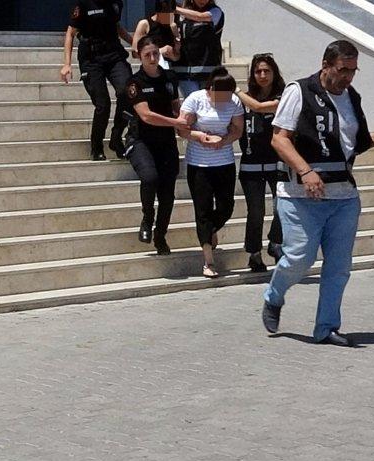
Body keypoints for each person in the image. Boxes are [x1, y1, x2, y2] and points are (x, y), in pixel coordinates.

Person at [261, 40, 374, 346]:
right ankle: (274, 295)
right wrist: (305, 170)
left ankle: (326, 327)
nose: (347, 77)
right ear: (326, 65)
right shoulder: (299, 91)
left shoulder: (352, 97)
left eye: (353, 71)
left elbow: (354, 143)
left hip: (343, 197)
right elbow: (279, 139)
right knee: (299, 258)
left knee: (339, 267)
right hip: (300, 195)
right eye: (342, 70)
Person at [124, 34, 188, 255]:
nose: (152, 58)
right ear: (139, 57)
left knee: (168, 194)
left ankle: (160, 235)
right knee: (150, 178)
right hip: (141, 140)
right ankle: (147, 218)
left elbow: (175, 105)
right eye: (147, 55)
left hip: (166, 141)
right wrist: (175, 122)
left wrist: (184, 122)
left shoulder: (169, 77)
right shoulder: (135, 83)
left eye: (155, 54)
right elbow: (146, 116)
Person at [179, 65, 243, 278]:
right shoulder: (195, 99)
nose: (224, 100)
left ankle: (211, 230)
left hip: (223, 161)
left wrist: (224, 140)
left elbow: (237, 129)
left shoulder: (234, 102)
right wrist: (200, 137)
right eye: (220, 96)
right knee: (203, 210)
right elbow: (182, 128)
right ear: (210, 89)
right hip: (199, 163)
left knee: (226, 206)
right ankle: (208, 260)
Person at [60, 0, 134, 160]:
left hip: (114, 54)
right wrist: (67, 64)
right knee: (103, 104)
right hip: (91, 58)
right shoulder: (83, 4)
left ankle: (116, 137)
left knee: (127, 91)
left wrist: (135, 44)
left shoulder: (116, 3)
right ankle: (97, 147)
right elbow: (71, 33)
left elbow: (117, 26)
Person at [238, 53, 285, 272]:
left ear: (274, 73)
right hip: (251, 163)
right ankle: (254, 254)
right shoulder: (242, 100)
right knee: (255, 212)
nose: (263, 75)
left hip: (278, 163)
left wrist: (236, 91)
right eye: (258, 71)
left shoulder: (283, 98)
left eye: (267, 71)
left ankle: (275, 243)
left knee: (282, 208)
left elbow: (259, 107)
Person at [172, 0, 225, 98]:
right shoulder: (179, 15)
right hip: (184, 72)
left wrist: (174, 8)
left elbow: (200, 16)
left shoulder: (215, 11)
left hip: (208, 71)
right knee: (194, 103)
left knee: (209, 104)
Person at [131, 0, 181, 66]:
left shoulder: (173, 25)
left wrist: (173, 53)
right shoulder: (145, 24)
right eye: (166, 13)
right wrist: (158, 51)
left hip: (169, 67)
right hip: (151, 67)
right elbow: (135, 53)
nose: (170, 17)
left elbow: (177, 57)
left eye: (172, 13)